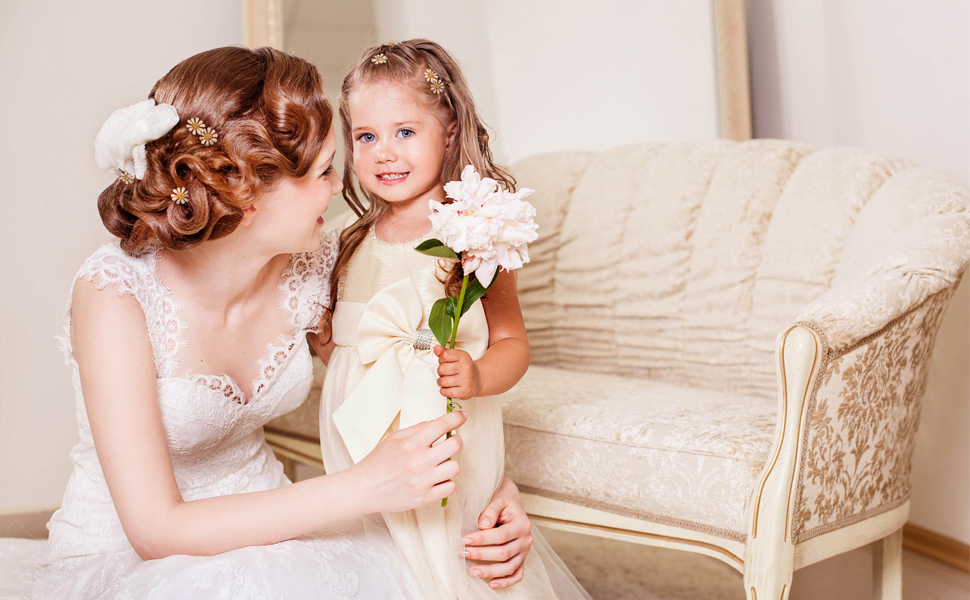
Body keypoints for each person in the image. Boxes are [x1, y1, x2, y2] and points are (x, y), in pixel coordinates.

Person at [0, 46, 537, 599]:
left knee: (445, 569)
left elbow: (407, 371)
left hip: (281, 529)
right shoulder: (115, 294)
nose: (338, 190)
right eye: (326, 170)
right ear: (249, 190)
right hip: (136, 553)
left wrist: (483, 488)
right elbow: (156, 532)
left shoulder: (317, 263)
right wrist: (364, 486)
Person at [317, 40, 591, 599]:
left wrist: (480, 375)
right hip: (361, 423)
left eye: (405, 132)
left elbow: (513, 339)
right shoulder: (349, 239)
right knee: (374, 550)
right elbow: (349, 339)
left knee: (446, 547)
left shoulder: (477, 233)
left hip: (439, 417)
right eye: (366, 137)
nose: (384, 153)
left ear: (448, 128)